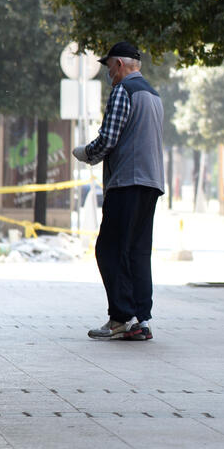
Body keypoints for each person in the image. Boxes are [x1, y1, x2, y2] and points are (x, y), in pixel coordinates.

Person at [73, 41, 165, 341]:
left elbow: (108, 138)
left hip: (126, 182)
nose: (108, 73)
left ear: (120, 65)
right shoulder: (153, 95)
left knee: (110, 250)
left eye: (109, 66)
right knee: (137, 251)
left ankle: (120, 318)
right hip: (151, 183)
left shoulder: (123, 92)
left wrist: (86, 154)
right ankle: (141, 320)